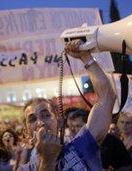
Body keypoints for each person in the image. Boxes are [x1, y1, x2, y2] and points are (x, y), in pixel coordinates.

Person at [18, 39, 116, 170]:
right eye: (32, 119)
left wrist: (85, 57)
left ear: (59, 120)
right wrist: (47, 159)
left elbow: (107, 97)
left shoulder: (81, 145)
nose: (40, 123)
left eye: (46, 115)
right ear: (27, 132)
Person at [65, 107, 132, 170]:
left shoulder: (112, 141)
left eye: (79, 126)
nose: (75, 130)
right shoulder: (75, 143)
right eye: (74, 126)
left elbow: (128, 166)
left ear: (89, 124)